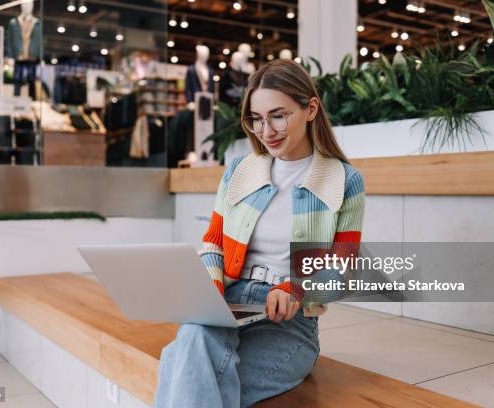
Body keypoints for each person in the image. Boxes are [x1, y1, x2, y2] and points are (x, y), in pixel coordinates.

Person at [153, 59, 365, 408]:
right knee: (194, 339)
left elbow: (343, 270)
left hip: (288, 322)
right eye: (256, 119)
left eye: (279, 115)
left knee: (187, 371)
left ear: (311, 108)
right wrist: (211, 289)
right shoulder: (240, 170)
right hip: (228, 302)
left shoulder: (344, 180)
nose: (266, 131)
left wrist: (295, 288)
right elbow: (213, 244)